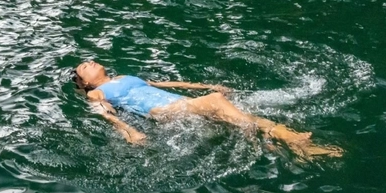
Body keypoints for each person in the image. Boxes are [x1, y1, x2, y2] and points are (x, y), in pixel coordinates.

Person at [72, 61, 342, 158]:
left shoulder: (126, 77)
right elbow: (103, 113)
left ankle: (294, 142)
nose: (90, 62)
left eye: (90, 60)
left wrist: (205, 84)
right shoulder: (97, 92)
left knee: (241, 114)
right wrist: (129, 132)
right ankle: (273, 137)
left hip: (182, 104)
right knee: (217, 103)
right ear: (84, 83)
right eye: (84, 67)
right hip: (165, 112)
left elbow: (168, 83)